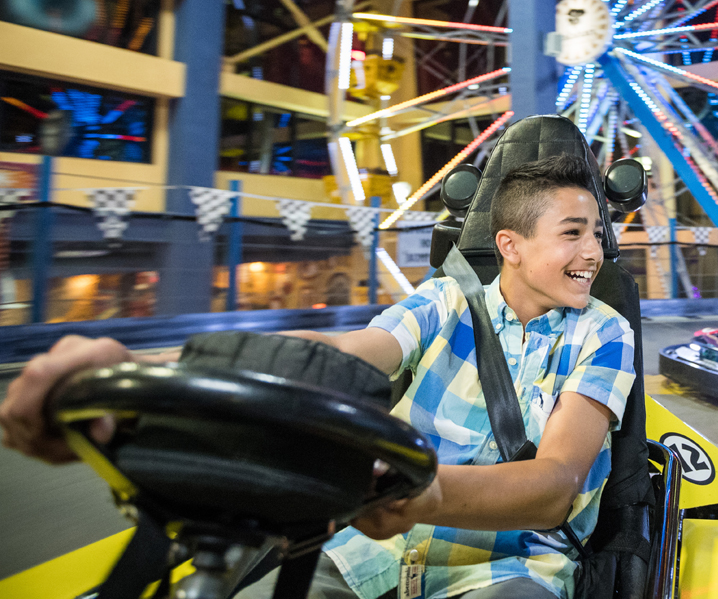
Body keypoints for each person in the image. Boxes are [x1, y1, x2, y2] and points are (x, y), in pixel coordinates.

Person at [0, 154, 635, 599]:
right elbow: (338, 354)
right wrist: (135, 368)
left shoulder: (604, 331)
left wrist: (430, 494)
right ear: (510, 245)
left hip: (509, 567)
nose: (594, 254)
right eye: (572, 234)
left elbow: (555, 486)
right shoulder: (444, 301)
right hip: (370, 553)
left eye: (596, 236)